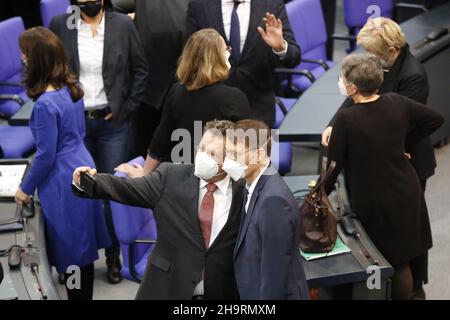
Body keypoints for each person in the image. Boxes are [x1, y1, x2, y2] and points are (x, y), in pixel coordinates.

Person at [321, 17, 434, 298]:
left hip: (408, 163)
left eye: (372, 52)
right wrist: (334, 123)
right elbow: (355, 97)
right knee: (395, 246)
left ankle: (414, 291)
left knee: (405, 245)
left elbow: (410, 121)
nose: (368, 57)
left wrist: (399, 145)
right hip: (388, 165)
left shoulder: (412, 76)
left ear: (391, 50)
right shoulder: (377, 70)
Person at [72, 120, 246, 300]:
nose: (202, 157)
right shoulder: (171, 176)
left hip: (221, 291)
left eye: (212, 153)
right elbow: (124, 188)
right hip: (168, 287)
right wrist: (84, 182)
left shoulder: (243, 191)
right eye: (201, 149)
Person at [49, 0, 149, 284]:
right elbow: (51, 70)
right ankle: (73, 260)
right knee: (74, 191)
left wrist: (126, 108)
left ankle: (114, 257)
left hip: (112, 123)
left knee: (109, 194)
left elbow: (141, 70)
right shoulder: (61, 24)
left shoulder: (123, 25)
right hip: (73, 125)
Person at [14, 27, 110, 300]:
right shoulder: (71, 87)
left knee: (71, 253)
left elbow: (45, 155)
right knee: (81, 251)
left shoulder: (45, 104)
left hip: (62, 180)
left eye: (25, 54)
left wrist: (25, 188)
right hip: (83, 167)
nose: (22, 58)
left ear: (35, 60)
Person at [118, 28, 252, 178]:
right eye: (226, 49)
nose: (228, 53)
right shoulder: (234, 98)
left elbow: (160, 142)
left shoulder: (177, 92)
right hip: (221, 181)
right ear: (217, 59)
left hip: (183, 180)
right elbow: (247, 152)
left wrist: (145, 174)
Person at [222, 119, 309, 300]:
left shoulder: (274, 201)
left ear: (259, 154)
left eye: (235, 154)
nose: (228, 161)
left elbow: (274, 275)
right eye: (227, 153)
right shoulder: (251, 185)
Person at [186, 0, 300, 128]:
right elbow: (190, 56)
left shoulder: (271, 3)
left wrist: (280, 47)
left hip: (258, 115)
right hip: (212, 116)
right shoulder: (199, 4)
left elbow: (293, 58)